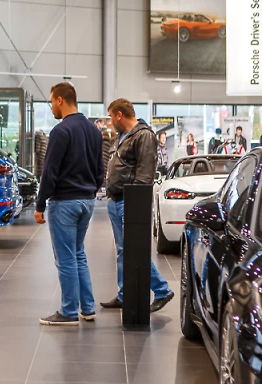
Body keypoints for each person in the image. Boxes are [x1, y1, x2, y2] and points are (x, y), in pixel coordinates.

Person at [35, 82, 104, 326]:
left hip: (64, 202)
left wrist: (40, 204)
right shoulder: (94, 131)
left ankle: (68, 312)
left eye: (51, 102)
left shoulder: (61, 131)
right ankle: (88, 307)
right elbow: (100, 170)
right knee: (78, 254)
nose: (51, 107)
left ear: (60, 100)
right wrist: (91, 191)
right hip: (87, 201)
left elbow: (50, 171)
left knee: (65, 258)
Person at [101, 98, 175, 313]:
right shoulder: (123, 136)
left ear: (119, 115)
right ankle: (124, 294)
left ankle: (162, 290)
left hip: (129, 202)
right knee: (123, 250)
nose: (110, 122)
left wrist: (135, 203)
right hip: (116, 200)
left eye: (111, 117)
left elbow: (145, 175)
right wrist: (109, 194)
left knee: (135, 249)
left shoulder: (144, 135)